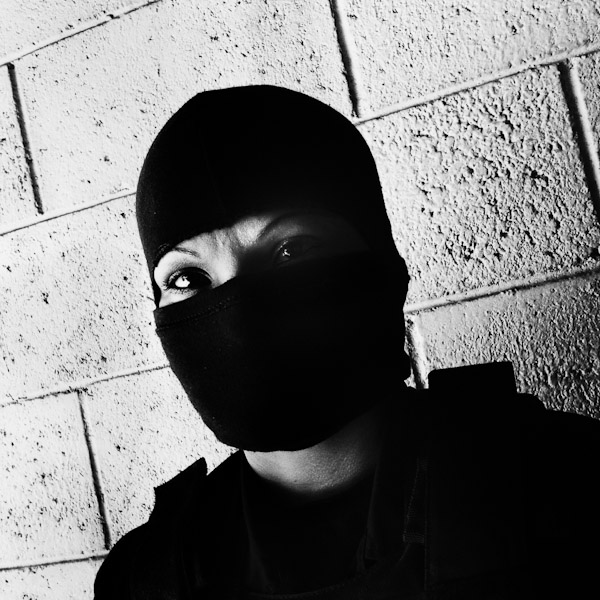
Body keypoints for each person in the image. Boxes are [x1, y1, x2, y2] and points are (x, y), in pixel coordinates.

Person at [94, 85, 600, 599]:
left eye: (291, 250)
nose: (237, 310)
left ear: (382, 267)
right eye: (187, 279)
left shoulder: (567, 484)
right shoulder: (142, 579)